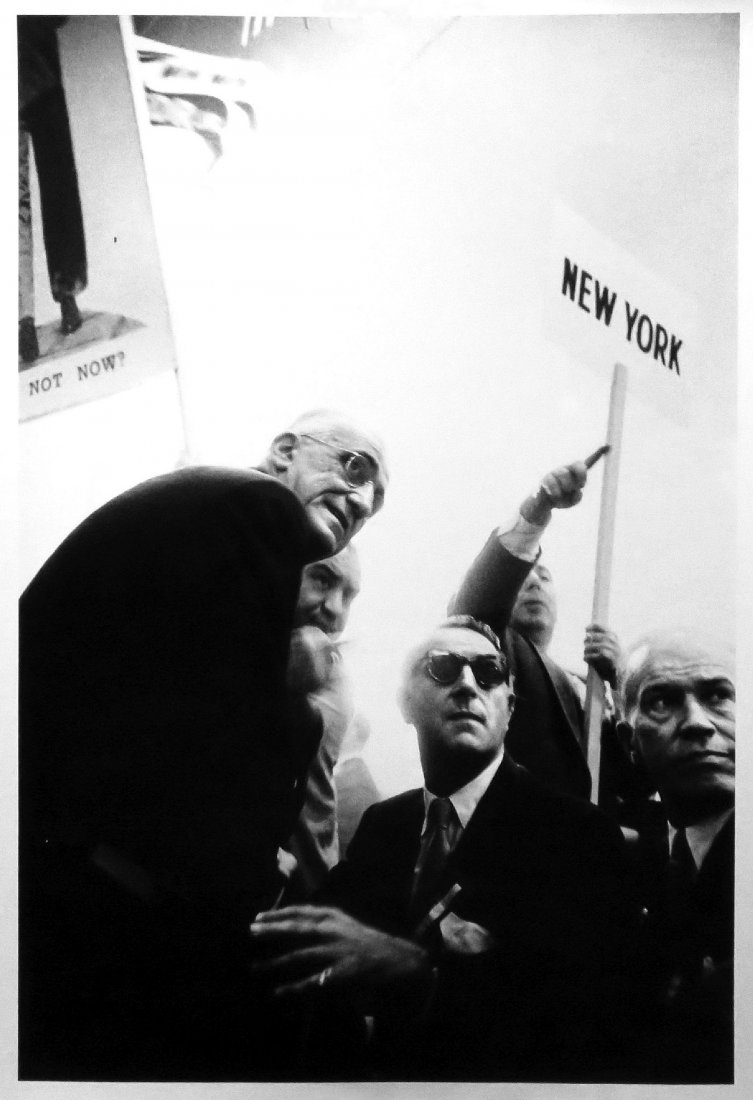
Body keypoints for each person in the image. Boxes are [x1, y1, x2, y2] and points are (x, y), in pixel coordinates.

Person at [18, 409, 388, 1080]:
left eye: (375, 499)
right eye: (353, 467)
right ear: (284, 451)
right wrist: (296, 699)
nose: (361, 501)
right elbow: (228, 770)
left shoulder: (205, 517)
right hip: (93, 906)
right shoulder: (261, 508)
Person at [250, 615, 633, 1082]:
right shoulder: (384, 825)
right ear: (405, 703)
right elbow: (315, 935)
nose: (468, 684)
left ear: (510, 708)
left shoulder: (577, 834)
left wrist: (424, 973)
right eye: (443, 667)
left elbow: (589, 1009)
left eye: (489, 672)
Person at [451, 462, 632, 805]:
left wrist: (621, 682)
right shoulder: (491, 652)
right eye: (525, 575)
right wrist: (538, 509)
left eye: (545, 577)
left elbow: (634, 779)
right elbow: (477, 603)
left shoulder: (589, 686)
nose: (534, 582)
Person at [617, 631, 734, 1083]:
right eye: (663, 702)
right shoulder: (635, 868)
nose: (698, 723)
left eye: (719, 695)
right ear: (630, 741)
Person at [283, 544, 363, 899]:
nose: (336, 609)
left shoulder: (314, 657)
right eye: (323, 580)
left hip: (299, 889)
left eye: (348, 596)